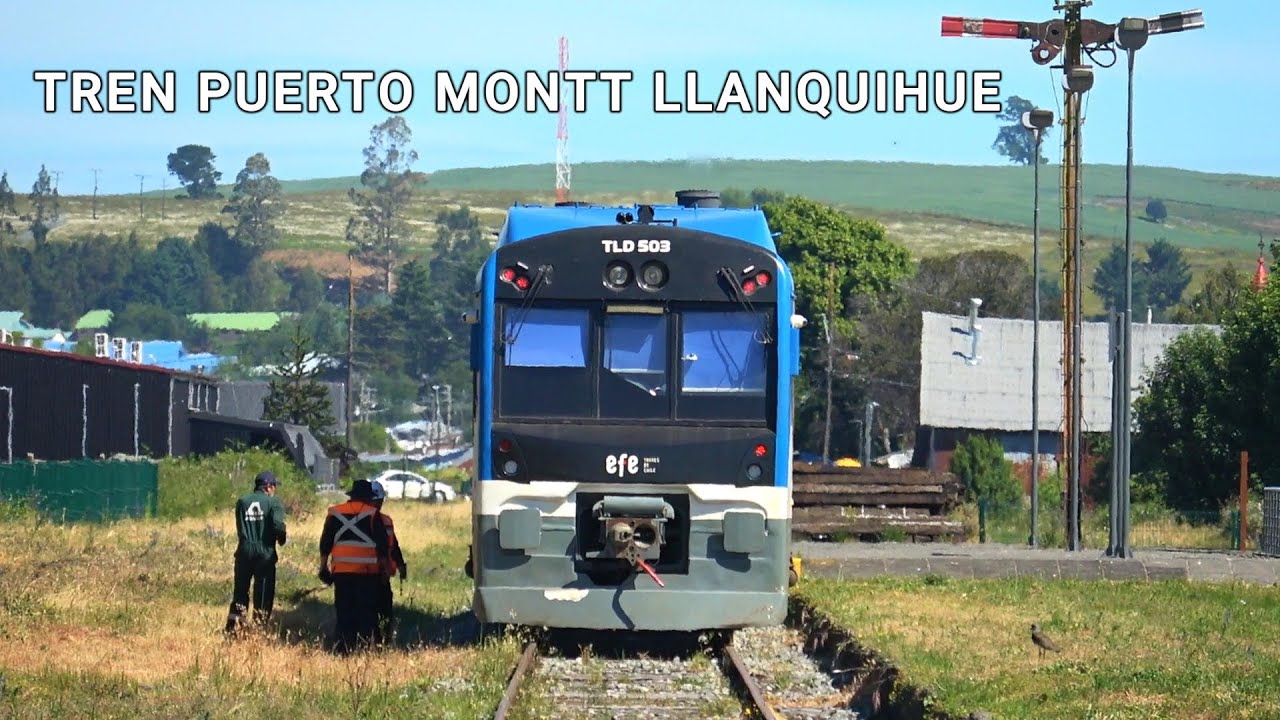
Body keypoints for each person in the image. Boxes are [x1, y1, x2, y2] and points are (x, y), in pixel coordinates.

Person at [318, 478, 391, 654]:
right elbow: (382, 546)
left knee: (344, 612)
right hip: (367, 574)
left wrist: (323, 567)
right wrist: (385, 571)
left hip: (342, 572)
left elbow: (326, 542)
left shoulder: (335, 513)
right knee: (366, 613)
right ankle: (365, 649)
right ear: (367, 497)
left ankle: (343, 649)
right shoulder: (373, 514)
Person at [224, 471, 287, 635]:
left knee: (240, 591)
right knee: (263, 591)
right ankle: (259, 628)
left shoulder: (242, 501)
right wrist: (281, 538)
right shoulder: (273, 503)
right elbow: (278, 526)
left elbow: (240, 526)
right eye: (274, 486)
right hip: (264, 553)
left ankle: (235, 627)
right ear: (268, 487)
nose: (274, 490)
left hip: (244, 551)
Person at [369, 480, 407, 644]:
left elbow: (394, 545)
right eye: (377, 501)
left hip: (379, 574)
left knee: (384, 610)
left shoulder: (386, 521)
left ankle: (382, 641)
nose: (379, 504)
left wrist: (400, 565)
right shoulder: (367, 520)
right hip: (370, 573)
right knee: (374, 610)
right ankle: (377, 640)